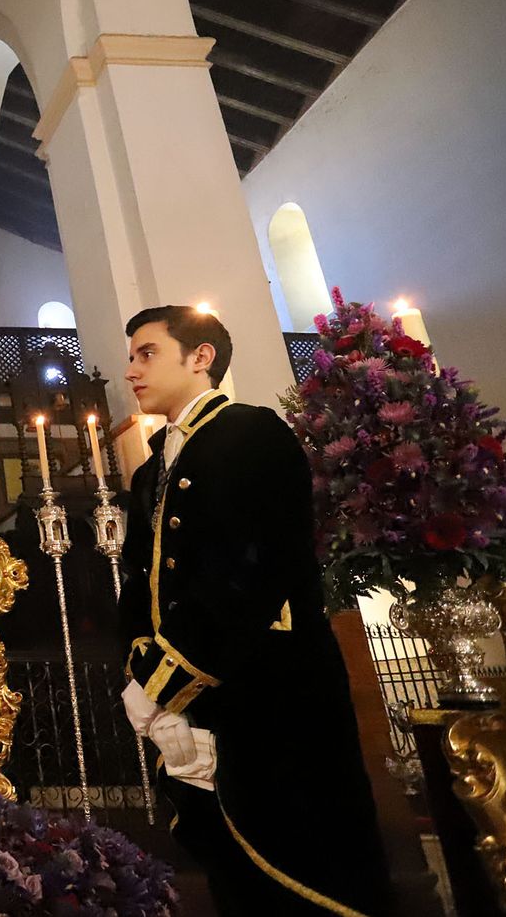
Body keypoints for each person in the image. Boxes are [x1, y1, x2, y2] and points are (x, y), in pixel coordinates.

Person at [117, 305, 391, 915]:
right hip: (198, 688)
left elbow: (250, 571)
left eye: (147, 352)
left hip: (263, 686)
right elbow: (142, 576)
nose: (131, 369)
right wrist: (140, 672)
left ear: (201, 357)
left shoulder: (250, 434)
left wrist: (166, 681)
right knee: (227, 866)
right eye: (131, 355)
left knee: (293, 855)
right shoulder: (153, 461)